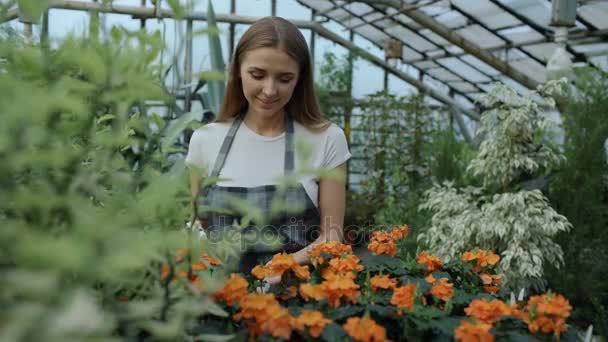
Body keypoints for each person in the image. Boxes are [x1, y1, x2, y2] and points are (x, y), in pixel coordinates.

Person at [185, 16, 351, 283]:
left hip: (296, 301)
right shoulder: (205, 140)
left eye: (284, 78)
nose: (269, 90)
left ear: (300, 79)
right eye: (257, 75)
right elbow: (197, 227)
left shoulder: (327, 139)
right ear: (238, 69)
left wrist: (282, 266)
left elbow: (332, 236)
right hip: (218, 301)